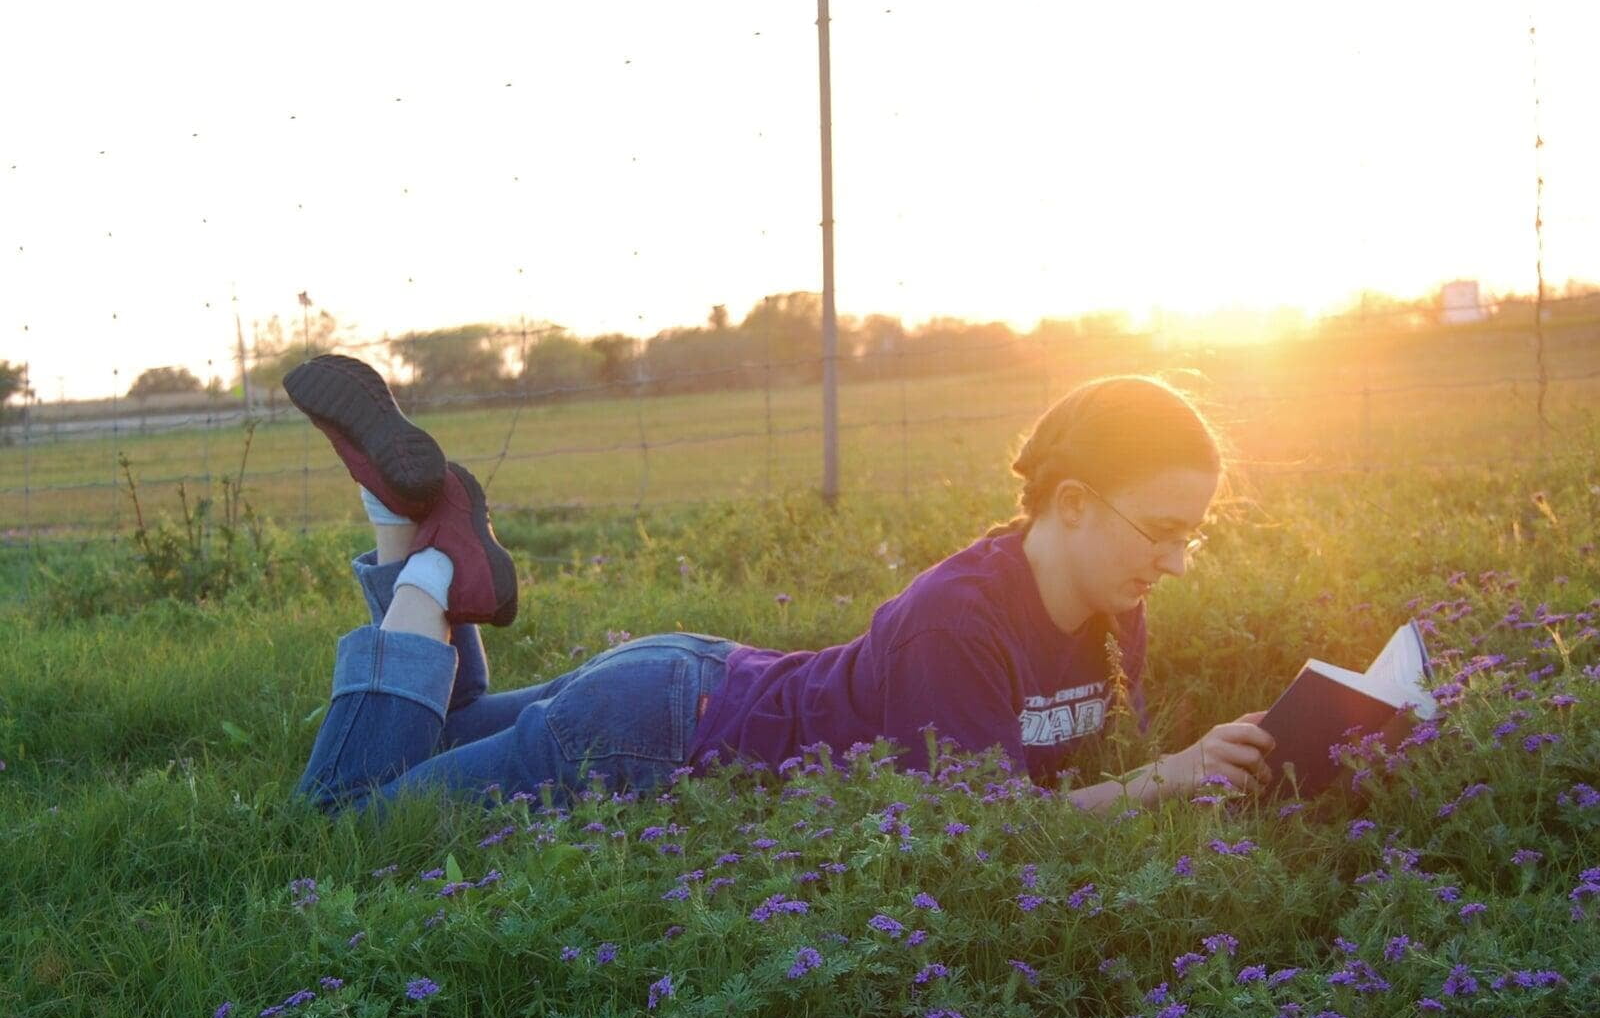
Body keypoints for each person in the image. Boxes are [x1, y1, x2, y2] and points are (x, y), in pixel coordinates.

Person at [288, 354, 1276, 816]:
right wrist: (1161, 781)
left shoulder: (1115, 611)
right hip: (656, 735)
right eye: (1165, 530)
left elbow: (1079, 774)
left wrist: (1220, 771)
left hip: (695, 679)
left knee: (437, 724)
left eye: (1195, 535)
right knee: (345, 819)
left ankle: (413, 536)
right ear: (1070, 503)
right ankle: (423, 572)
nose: (1179, 560)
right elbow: (986, 833)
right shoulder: (959, 623)